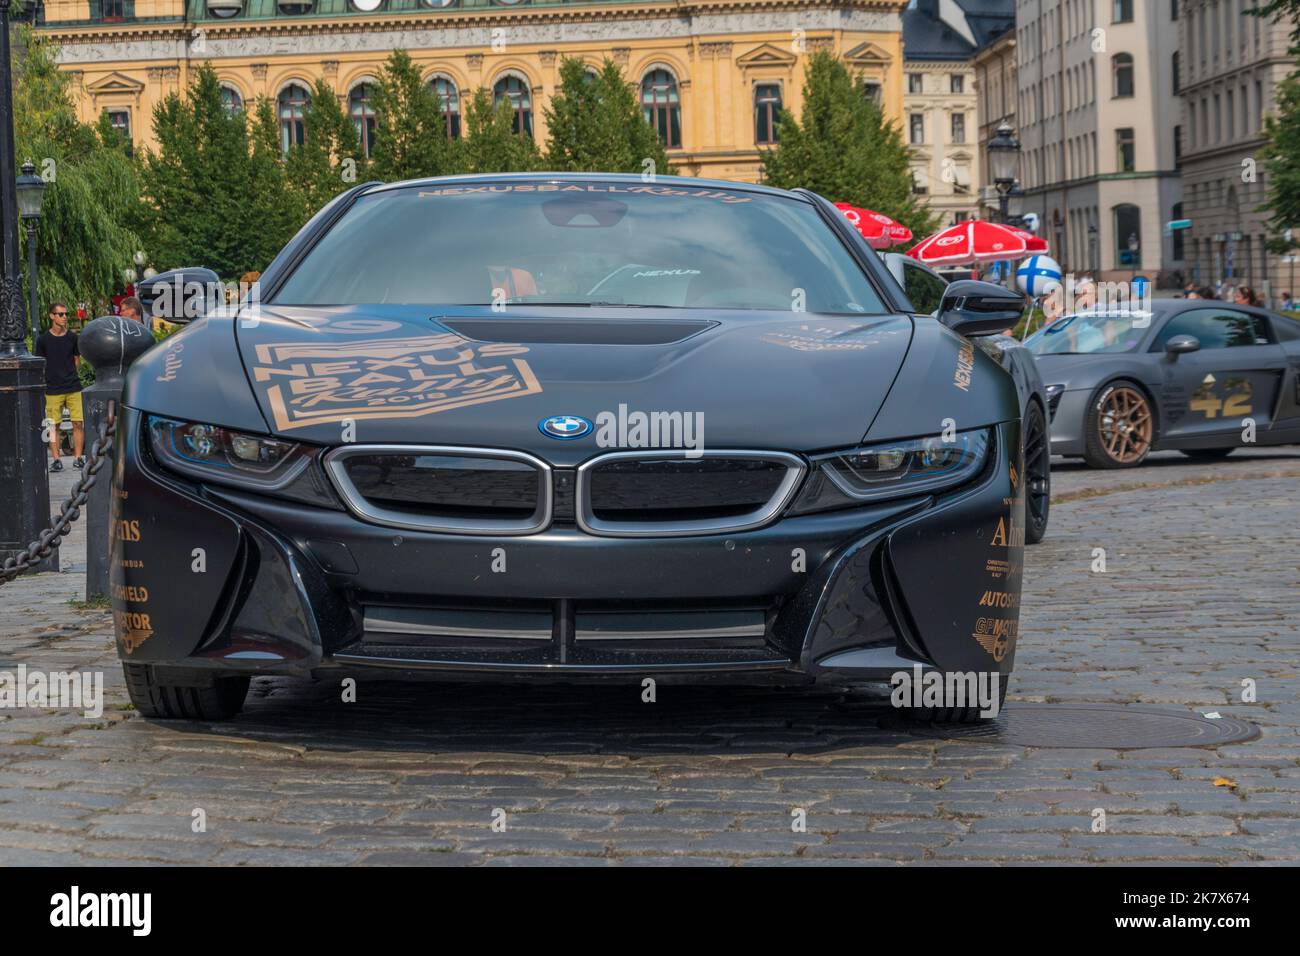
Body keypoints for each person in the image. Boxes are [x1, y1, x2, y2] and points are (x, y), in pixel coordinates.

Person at [34, 302, 84, 472]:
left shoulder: (72, 337)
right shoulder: (42, 340)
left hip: (73, 387)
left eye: (65, 314)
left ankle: (78, 458)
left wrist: (71, 373)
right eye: (60, 314)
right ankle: (56, 460)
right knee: (53, 425)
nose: (64, 317)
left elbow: (77, 359)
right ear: (52, 316)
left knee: (78, 423)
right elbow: (41, 363)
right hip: (53, 389)